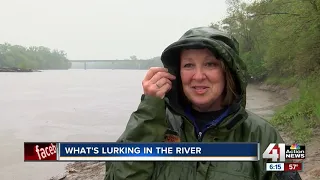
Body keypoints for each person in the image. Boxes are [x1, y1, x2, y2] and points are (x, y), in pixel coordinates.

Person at [104, 27, 302, 180]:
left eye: (210, 64)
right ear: (177, 74)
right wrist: (149, 109)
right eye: (188, 65)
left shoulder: (265, 134)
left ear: (228, 72)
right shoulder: (151, 124)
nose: (198, 76)